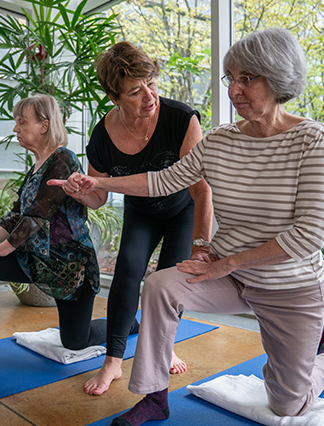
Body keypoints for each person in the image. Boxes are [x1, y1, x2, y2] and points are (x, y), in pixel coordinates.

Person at [50, 28, 324, 425]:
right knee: (160, 285)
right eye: (230, 78)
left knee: (288, 402)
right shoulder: (220, 140)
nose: (234, 90)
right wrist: (97, 182)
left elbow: (311, 234)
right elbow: (163, 180)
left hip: (289, 287)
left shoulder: (312, 138)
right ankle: (154, 398)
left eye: (246, 79)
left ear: (277, 78)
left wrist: (224, 261)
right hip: (234, 278)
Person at [60, 41, 213, 396]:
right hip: (141, 211)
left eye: (151, 83)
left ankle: (163, 345)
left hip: (181, 210)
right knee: (128, 271)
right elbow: (98, 197)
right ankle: (113, 360)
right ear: (114, 97)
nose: (149, 96)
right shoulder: (102, 136)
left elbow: (202, 190)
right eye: (135, 90)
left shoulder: (181, 119)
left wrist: (201, 246)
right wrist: (80, 191)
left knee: (166, 281)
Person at [0, 94, 115, 369]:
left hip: (69, 267)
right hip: (36, 258)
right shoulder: (35, 168)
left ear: (44, 125)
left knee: (76, 342)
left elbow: (37, 216)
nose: (15, 128)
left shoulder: (63, 159)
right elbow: (17, 212)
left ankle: (125, 324)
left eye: (22, 121)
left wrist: (3, 248)